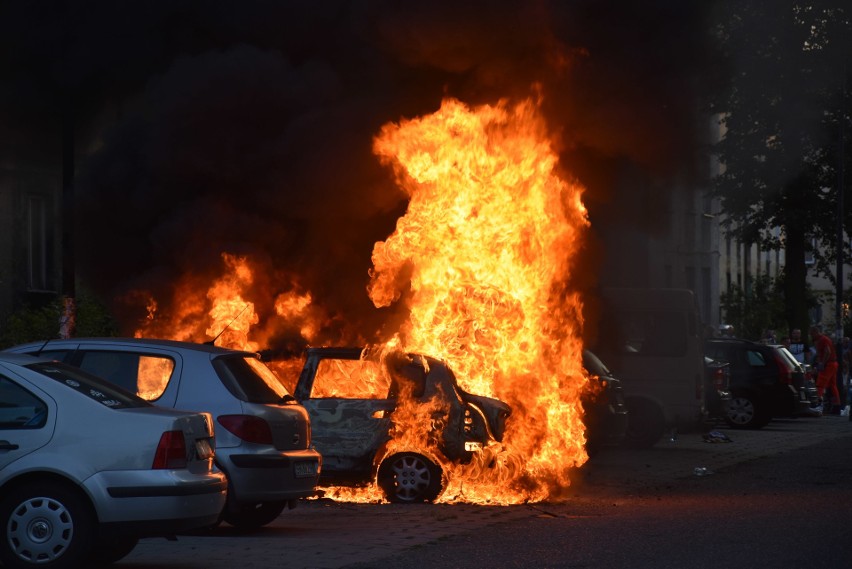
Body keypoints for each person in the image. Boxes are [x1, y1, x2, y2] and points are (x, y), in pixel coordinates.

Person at [809, 325, 841, 413]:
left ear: (815, 332)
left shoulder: (822, 340)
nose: (811, 336)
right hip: (833, 363)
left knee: (820, 384)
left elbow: (827, 351)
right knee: (832, 385)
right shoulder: (824, 339)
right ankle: (837, 406)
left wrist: (822, 363)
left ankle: (817, 404)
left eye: (812, 334)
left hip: (828, 364)